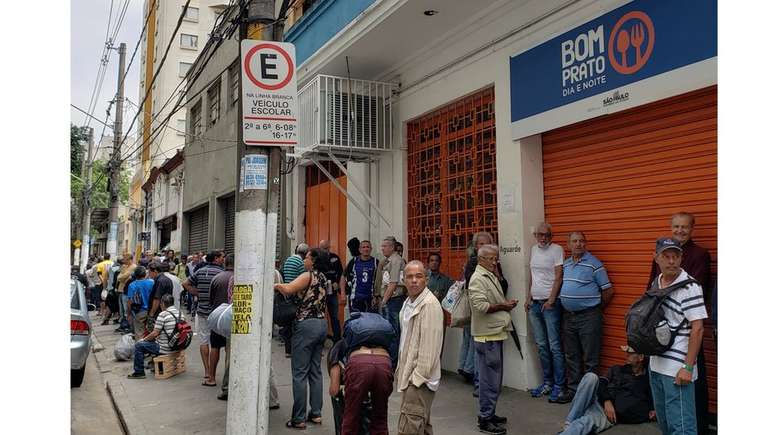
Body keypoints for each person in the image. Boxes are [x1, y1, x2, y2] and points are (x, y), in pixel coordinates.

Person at [648, 212, 712, 435]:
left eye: (675, 256)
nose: (671, 260)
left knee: (682, 427)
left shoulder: (690, 286)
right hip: (656, 362)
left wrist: (687, 367)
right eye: (666, 256)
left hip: (678, 365)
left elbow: (698, 327)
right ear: (657, 258)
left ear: (681, 258)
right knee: (666, 424)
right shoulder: (657, 281)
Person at [274, 248, 330, 430]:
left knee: (299, 373)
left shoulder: (308, 276)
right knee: (315, 371)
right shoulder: (323, 277)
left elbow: (288, 289)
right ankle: (316, 413)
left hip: (305, 325)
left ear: (313, 261)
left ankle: (298, 418)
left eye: (306, 257)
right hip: (321, 324)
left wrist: (275, 284)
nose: (304, 260)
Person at [469, 245, 517, 435]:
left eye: (495, 258)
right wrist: (503, 306)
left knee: (494, 378)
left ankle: (490, 412)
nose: (494, 261)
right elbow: (481, 306)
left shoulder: (489, 274)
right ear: (481, 259)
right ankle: (485, 418)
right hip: (486, 336)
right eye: (491, 258)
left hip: (495, 333)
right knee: (489, 379)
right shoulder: (477, 279)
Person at [560, 232, 614, 396]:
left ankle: (589, 394)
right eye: (575, 241)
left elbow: (608, 291)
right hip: (568, 316)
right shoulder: (567, 264)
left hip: (589, 317)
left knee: (591, 358)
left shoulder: (594, 264)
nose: (578, 244)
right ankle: (574, 390)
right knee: (571, 355)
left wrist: (595, 308)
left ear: (586, 244)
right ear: (569, 245)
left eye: (582, 241)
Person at [559, 346, 655, 435]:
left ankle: (568, 430)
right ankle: (569, 422)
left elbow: (649, 405)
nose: (626, 356)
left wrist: (650, 412)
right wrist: (607, 400)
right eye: (626, 353)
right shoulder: (617, 369)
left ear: (641, 357)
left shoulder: (646, 381)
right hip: (595, 398)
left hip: (604, 414)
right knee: (591, 377)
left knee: (583, 424)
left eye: (630, 354)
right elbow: (601, 382)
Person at [395, 260, 444, 435]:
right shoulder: (409, 302)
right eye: (409, 277)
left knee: (409, 428)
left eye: (419, 276)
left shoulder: (429, 305)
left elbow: (429, 351)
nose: (414, 280)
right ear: (403, 280)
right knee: (421, 427)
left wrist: (416, 380)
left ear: (426, 279)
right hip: (410, 375)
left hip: (419, 381)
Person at [526, 223, 571, 403]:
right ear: (535, 235)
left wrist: (552, 299)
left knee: (554, 346)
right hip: (535, 304)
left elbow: (559, 276)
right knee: (542, 346)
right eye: (540, 235)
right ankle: (547, 383)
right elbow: (532, 275)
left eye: (547, 235)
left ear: (551, 236)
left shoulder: (557, 250)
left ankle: (559, 386)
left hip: (550, 304)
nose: (543, 238)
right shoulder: (533, 250)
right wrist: (528, 296)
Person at [460, 232, 509, 390]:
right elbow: (474, 291)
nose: (486, 247)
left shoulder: (494, 264)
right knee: (476, 345)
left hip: (493, 318)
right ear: (476, 248)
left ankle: (473, 375)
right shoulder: (474, 265)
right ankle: (478, 382)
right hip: (480, 313)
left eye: (488, 243)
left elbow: (503, 286)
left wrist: (497, 275)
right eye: (482, 244)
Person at [183, 250, 225, 385]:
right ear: (216, 259)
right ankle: (213, 372)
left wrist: (197, 293)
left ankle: (207, 371)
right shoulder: (222, 273)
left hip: (202, 311)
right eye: (221, 257)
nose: (223, 259)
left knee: (204, 340)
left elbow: (185, 284)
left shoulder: (200, 271)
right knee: (216, 344)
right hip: (217, 312)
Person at [127, 294, 182, 379]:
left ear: (163, 304)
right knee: (152, 341)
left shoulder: (163, 314)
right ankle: (153, 365)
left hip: (165, 348)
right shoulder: (179, 313)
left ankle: (139, 372)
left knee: (139, 345)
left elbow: (155, 333)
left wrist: (143, 340)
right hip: (177, 345)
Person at [374, 236, 407, 369]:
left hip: (393, 300)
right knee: (388, 331)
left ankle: (392, 362)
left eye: (384, 246)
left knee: (392, 332)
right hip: (389, 299)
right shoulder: (388, 261)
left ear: (392, 247)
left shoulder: (396, 261)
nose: (382, 249)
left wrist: (384, 301)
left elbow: (393, 284)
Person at [206, 254, 234, 387]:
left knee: (215, 347)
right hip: (232, 319)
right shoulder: (240, 278)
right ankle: (228, 382)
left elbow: (211, 299)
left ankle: (211, 377)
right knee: (230, 351)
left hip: (218, 319)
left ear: (225, 263)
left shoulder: (217, 278)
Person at [320, 239, 344, 342]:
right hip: (320, 292)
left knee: (334, 316)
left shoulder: (335, 258)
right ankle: (319, 340)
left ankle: (337, 339)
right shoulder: (317, 259)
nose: (326, 250)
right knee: (319, 317)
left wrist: (338, 284)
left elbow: (341, 274)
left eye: (327, 248)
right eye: (323, 248)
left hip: (332, 292)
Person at [348, 240, 378, 314]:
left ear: (371, 249)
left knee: (370, 322)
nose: (366, 249)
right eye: (363, 247)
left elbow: (379, 280)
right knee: (356, 322)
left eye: (368, 247)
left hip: (370, 298)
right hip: (356, 297)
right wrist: (342, 293)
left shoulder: (375, 262)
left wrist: (376, 297)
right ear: (360, 249)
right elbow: (343, 275)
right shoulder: (354, 261)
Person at [126, 266, 154, 338]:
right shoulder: (151, 282)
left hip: (139, 312)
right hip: (152, 311)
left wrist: (128, 313)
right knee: (151, 332)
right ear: (145, 274)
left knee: (139, 334)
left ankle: (140, 348)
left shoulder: (132, 285)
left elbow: (130, 301)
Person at [115, 253, 137, 333]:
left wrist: (122, 277)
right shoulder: (125, 267)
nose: (124, 261)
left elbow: (125, 276)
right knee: (122, 310)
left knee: (126, 310)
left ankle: (128, 326)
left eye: (125, 259)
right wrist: (122, 276)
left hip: (127, 290)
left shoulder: (133, 267)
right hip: (121, 289)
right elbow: (119, 277)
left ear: (130, 259)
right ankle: (123, 325)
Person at [341, 237, 361, 314]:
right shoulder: (352, 262)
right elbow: (343, 276)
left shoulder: (355, 261)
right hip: (352, 294)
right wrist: (343, 293)